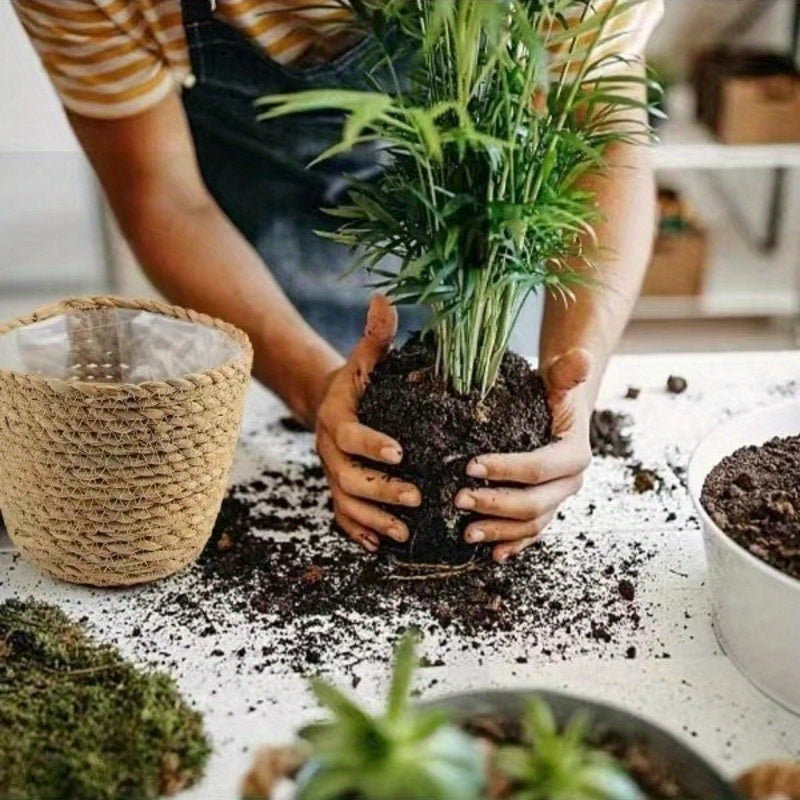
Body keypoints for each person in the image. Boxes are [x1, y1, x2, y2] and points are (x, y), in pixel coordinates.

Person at [13, 0, 663, 562]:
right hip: (252, 261)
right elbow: (162, 194)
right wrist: (311, 385)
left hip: (486, 245)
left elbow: (600, 131)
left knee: (487, 412)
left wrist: (571, 380)